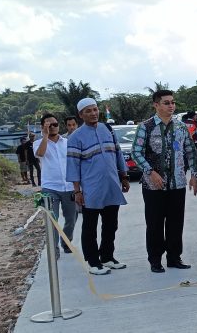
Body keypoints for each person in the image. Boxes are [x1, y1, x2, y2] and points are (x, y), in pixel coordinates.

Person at [132, 90, 197, 273]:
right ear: (156, 105)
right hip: (153, 185)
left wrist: (194, 174)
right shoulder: (145, 127)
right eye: (166, 103)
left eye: (173, 102)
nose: (171, 106)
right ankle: (155, 260)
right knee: (154, 224)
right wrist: (150, 171)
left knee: (176, 222)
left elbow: (190, 150)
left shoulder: (180, 127)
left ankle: (174, 257)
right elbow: (136, 153)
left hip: (177, 183)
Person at [67, 98, 129, 275]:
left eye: (95, 109)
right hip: (90, 189)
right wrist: (77, 191)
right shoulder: (75, 137)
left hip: (111, 185)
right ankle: (93, 262)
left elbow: (118, 155)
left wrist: (124, 177)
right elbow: (73, 166)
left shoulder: (107, 129)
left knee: (111, 224)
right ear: (81, 115)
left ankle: (107, 257)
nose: (93, 113)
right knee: (90, 226)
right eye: (88, 111)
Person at [33, 113, 77, 254]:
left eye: (55, 124)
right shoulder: (38, 143)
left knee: (72, 219)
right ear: (43, 127)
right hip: (50, 188)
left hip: (69, 187)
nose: (52, 127)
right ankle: (54, 250)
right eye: (49, 125)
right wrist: (45, 136)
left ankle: (66, 242)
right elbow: (40, 153)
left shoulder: (67, 142)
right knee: (53, 220)